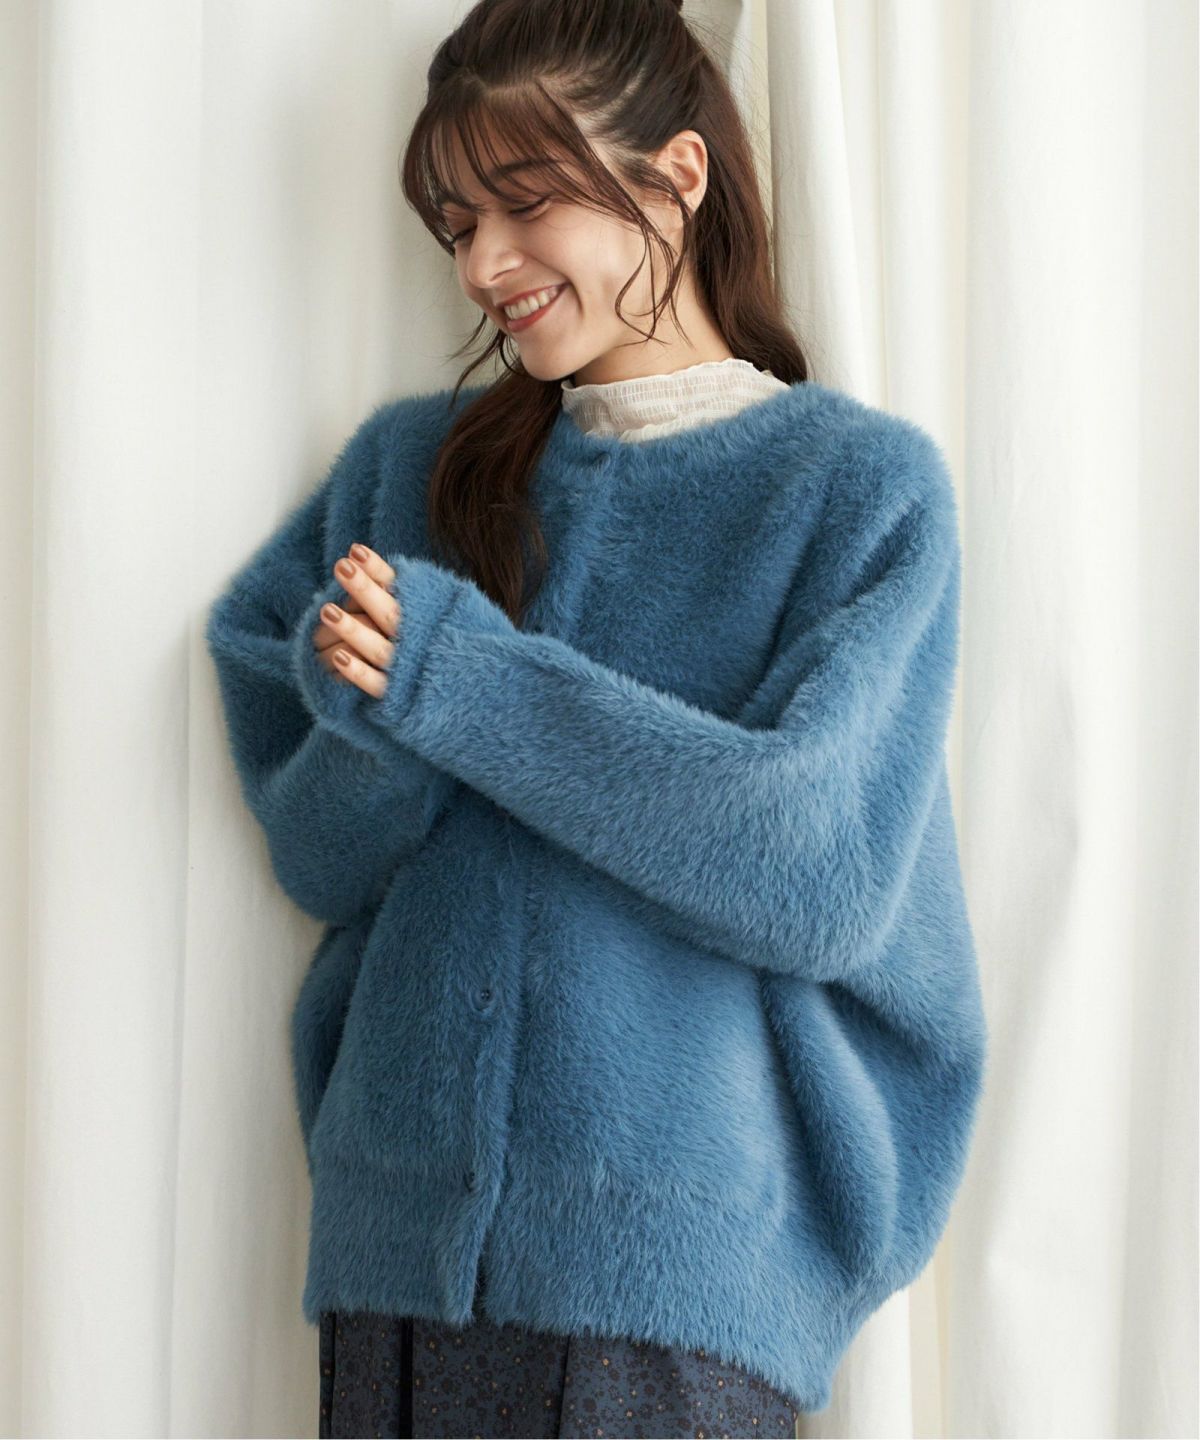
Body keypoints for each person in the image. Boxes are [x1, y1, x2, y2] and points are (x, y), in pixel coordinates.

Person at [205, 0, 988, 1436]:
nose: (482, 265)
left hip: (673, 1287)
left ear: (676, 177)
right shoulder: (407, 472)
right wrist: (379, 722)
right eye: (458, 225)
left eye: (524, 203)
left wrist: (460, 682)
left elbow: (808, 868)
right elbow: (318, 857)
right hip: (396, 1256)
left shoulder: (853, 491)